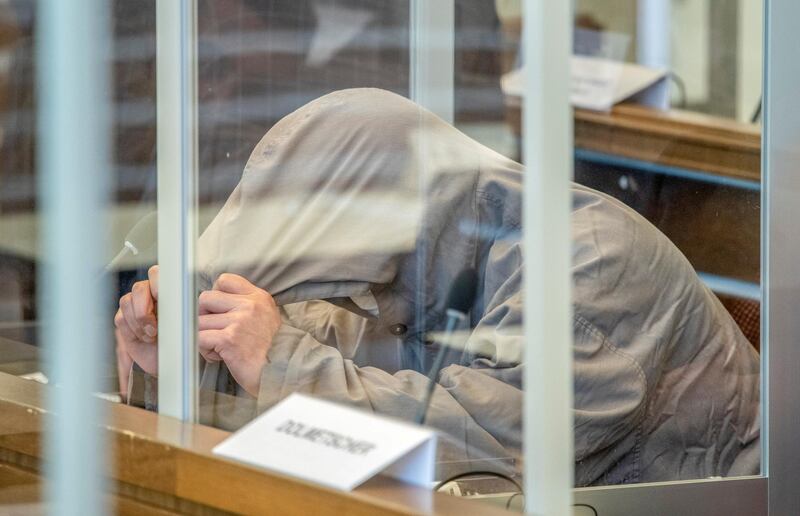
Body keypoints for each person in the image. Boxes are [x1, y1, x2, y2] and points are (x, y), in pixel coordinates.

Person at [115, 88, 759, 486]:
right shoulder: (419, 265)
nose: (343, 295)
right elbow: (338, 359)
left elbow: (481, 448)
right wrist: (182, 356)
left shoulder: (591, 264)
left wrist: (275, 357)